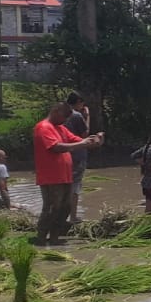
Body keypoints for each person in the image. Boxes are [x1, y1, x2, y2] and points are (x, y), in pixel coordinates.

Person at [33, 101, 101, 245]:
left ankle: (54, 236)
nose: (65, 121)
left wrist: (94, 141)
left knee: (66, 207)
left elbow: (78, 141)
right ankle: (41, 237)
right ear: (56, 111)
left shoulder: (61, 128)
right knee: (52, 207)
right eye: (64, 117)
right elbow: (55, 147)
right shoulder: (43, 127)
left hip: (65, 175)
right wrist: (82, 144)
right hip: (51, 176)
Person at [63, 93, 91, 222]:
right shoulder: (76, 115)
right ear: (78, 101)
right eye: (82, 103)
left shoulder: (60, 114)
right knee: (75, 186)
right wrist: (87, 116)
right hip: (77, 154)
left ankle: (59, 216)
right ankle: (73, 217)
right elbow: (85, 135)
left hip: (62, 153)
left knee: (62, 186)